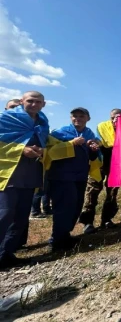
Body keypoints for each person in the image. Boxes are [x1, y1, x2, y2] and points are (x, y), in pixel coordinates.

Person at [0, 91, 49, 269]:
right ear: (22, 101)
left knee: (20, 218)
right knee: (4, 214)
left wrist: (42, 150)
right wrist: (21, 150)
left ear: (44, 104)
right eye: (30, 101)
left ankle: (6, 254)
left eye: (38, 102)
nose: (34, 104)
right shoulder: (6, 118)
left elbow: (45, 142)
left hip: (30, 176)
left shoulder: (43, 123)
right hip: (8, 176)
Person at [46, 107, 101, 251]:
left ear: (88, 118)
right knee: (64, 208)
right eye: (74, 116)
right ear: (70, 118)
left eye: (81, 116)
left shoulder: (89, 134)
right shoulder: (59, 133)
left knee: (76, 206)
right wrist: (71, 143)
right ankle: (56, 241)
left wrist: (93, 149)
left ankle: (64, 235)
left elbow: (92, 157)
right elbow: (50, 152)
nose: (78, 118)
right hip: (62, 176)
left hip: (80, 176)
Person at [79, 108, 121, 234]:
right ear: (110, 118)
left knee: (112, 193)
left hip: (116, 166)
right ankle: (87, 222)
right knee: (92, 191)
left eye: (119, 117)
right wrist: (94, 144)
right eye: (113, 117)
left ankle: (107, 219)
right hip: (100, 163)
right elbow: (99, 140)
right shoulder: (103, 126)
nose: (116, 119)